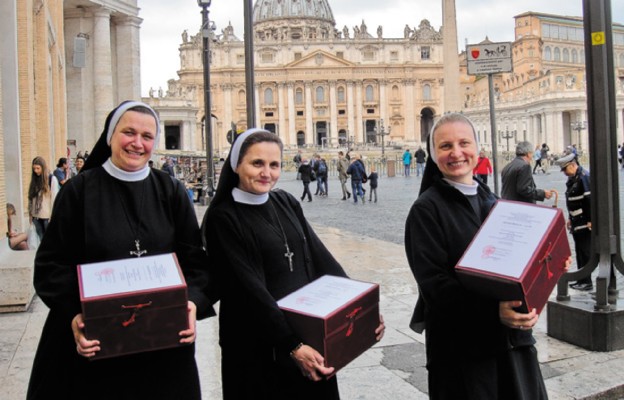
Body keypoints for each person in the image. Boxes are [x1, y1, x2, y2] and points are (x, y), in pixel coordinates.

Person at [26, 101, 215, 400]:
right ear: (111, 135)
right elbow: (51, 267)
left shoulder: (171, 191)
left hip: (161, 345)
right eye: (129, 132)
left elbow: (196, 264)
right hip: (95, 342)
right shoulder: (78, 192)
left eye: (147, 136)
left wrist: (191, 303)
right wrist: (75, 314)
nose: (138, 143)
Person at [200, 128, 385, 399]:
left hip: (306, 334)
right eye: (257, 163)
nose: (267, 173)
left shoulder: (285, 201)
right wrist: (292, 344)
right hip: (259, 343)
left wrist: (362, 308)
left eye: (274, 165)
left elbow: (321, 258)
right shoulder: (223, 218)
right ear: (236, 164)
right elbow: (248, 290)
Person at [405, 113, 569, 400]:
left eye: (464, 143)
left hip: (513, 344)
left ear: (477, 149)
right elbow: (435, 287)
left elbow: (518, 265)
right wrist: (493, 311)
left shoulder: (493, 201)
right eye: (445, 146)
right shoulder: (425, 210)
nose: (456, 153)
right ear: (433, 154)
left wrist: (549, 262)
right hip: (463, 353)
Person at [556, 153, 593, 291]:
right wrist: (571, 219)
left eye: (565, 169)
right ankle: (581, 279)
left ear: (572, 165)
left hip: (584, 222)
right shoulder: (574, 178)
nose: (565, 173)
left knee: (585, 251)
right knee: (579, 251)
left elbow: (589, 200)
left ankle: (587, 281)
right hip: (577, 221)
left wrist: (591, 220)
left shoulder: (584, 177)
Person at [28, 156, 59, 242]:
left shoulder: (51, 179)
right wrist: (30, 214)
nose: (36, 171)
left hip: (47, 217)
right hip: (36, 216)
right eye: (34, 168)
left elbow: (54, 198)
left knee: (50, 240)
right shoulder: (34, 180)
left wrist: (53, 216)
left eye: (38, 168)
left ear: (43, 167)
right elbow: (30, 198)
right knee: (42, 241)